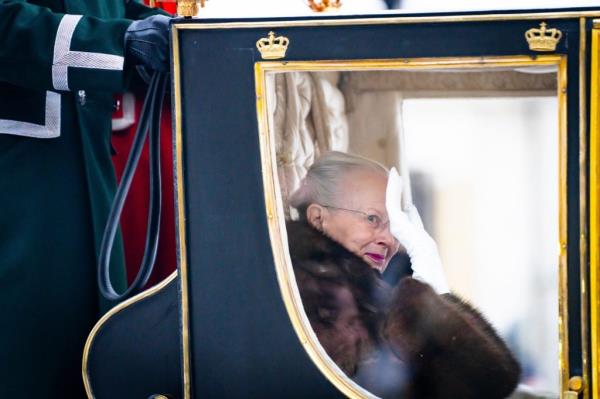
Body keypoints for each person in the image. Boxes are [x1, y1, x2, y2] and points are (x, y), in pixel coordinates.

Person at [0, 1, 170, 397]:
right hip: (17, 178)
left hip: (89, 168)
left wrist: (175, 34)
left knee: (91, 345)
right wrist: (116, 43)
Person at [287, 151, 521, 399]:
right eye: (372, 218)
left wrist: (432, 290)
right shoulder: (325, 300)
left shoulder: (365, 292)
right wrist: (425, 303)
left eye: (394, 225)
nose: (390, 239)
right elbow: (484, 385)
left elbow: (494, 380)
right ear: (317, 218)